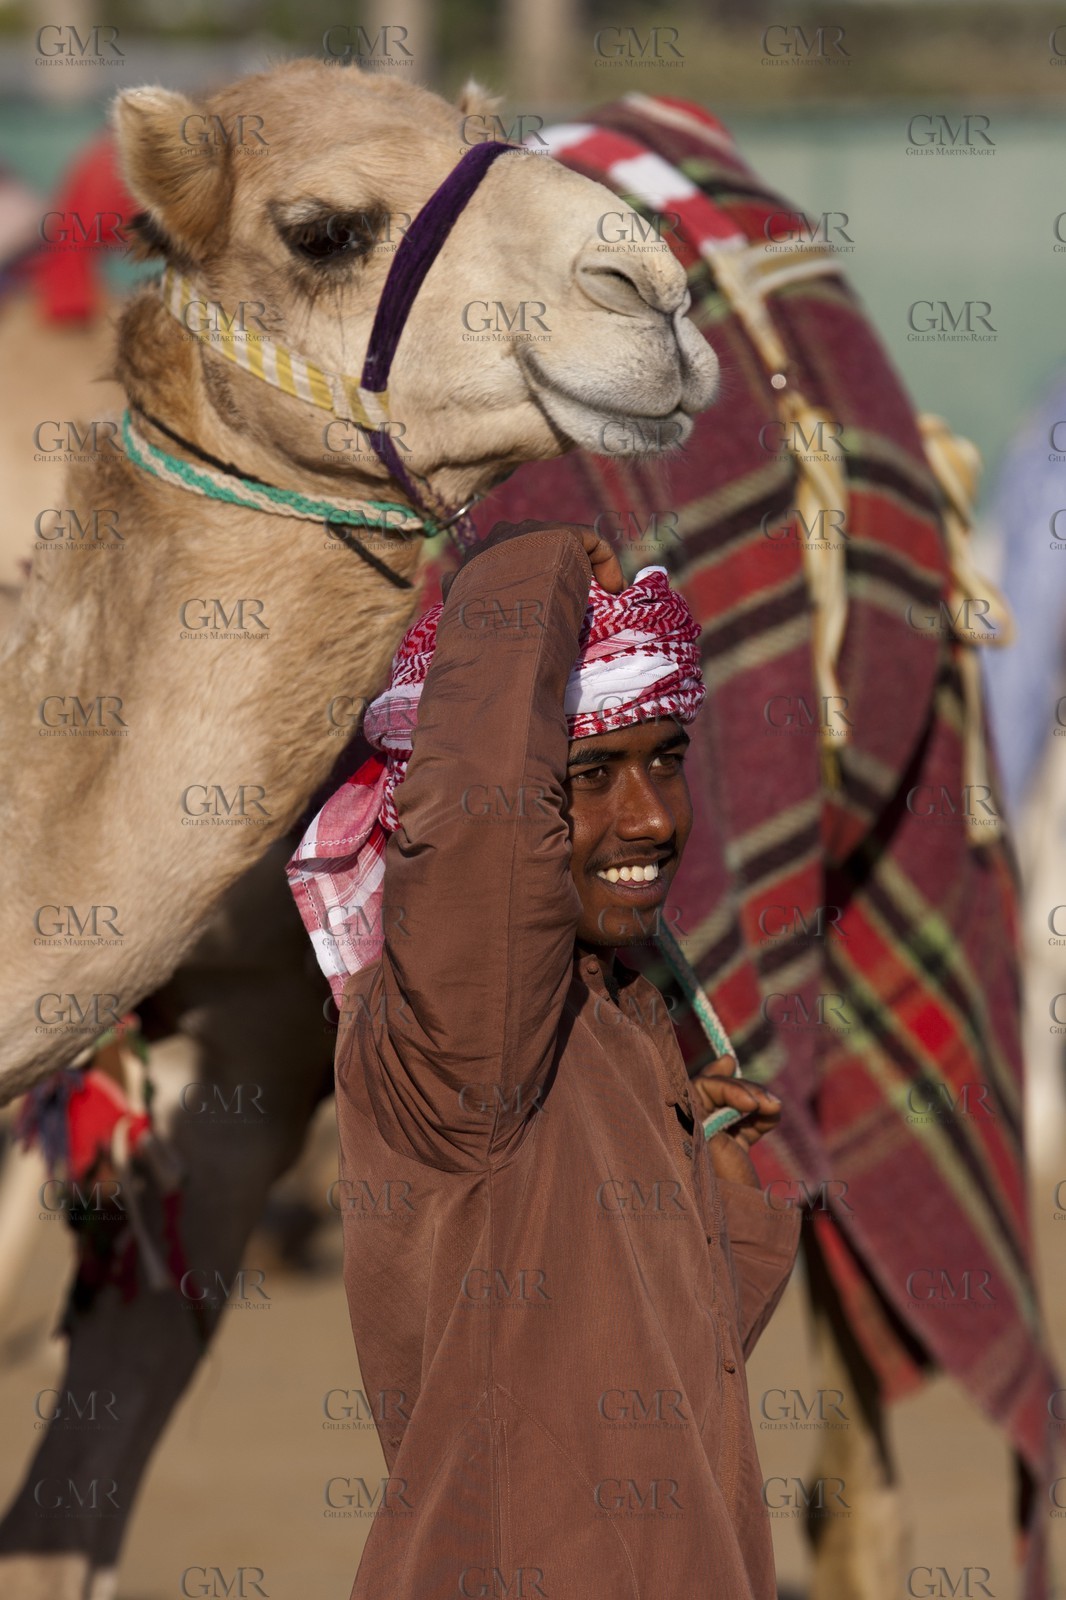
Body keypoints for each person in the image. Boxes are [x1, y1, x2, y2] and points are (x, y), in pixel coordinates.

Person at [288, 520, 801, 1600]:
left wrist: (716, 1196)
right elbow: (477, 817)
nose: (651, 815)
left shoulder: (602, 1028)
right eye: (591, 774)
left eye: (664, 759)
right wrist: (538, 571)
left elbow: (631, 1375)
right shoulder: (461, 1033)